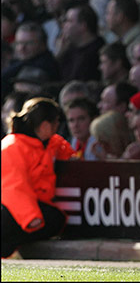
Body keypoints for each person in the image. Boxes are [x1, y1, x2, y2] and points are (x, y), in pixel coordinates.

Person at [2, 98, 74, 258]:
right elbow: (14, 186)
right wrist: (30, 217)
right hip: (10, 208)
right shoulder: (12, 146)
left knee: (56, 219)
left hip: (36, 205)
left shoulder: (48, 143)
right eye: (56, 122)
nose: (58, 127)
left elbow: (65, 152)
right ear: (45, 125)